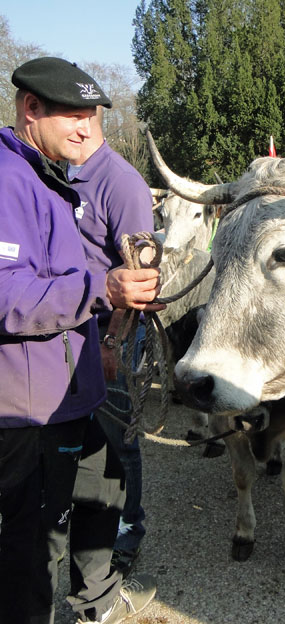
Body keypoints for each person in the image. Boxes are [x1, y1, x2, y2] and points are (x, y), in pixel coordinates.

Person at [0, 57, 164, 624]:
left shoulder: (53, 173)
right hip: (31, 403)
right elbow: (7, 296)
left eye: (90, 115)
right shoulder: (9, 180)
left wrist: (114, 327)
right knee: (32, 542)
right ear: (30, 109)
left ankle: (96, 599)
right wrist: (102, 289)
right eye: (70, 114)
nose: (84, 126)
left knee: (106, 479)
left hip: (69, 383)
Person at [67, 107, 154, 577]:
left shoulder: (121, 183)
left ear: (89, 119)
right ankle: (82, 520)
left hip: (105, 332)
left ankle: (128, 529)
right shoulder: (61, 172)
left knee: (118, 439)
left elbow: (141, 278)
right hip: (63, 326)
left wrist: (113, 344)